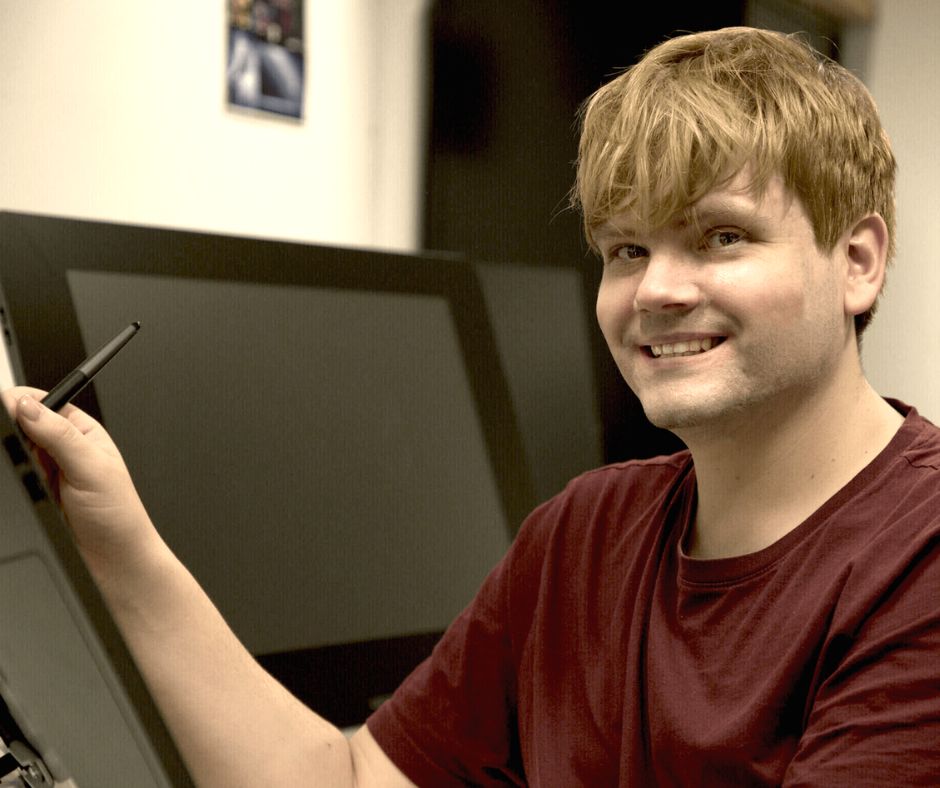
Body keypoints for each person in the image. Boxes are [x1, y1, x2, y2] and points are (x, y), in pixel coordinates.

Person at [4, 24, 940, 786]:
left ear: (858, 261)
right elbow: (350, 780)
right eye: (625, 250)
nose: (657, 290)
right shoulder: (584, 535)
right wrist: (110, 540)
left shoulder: (918, 558)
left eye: (721, 236)